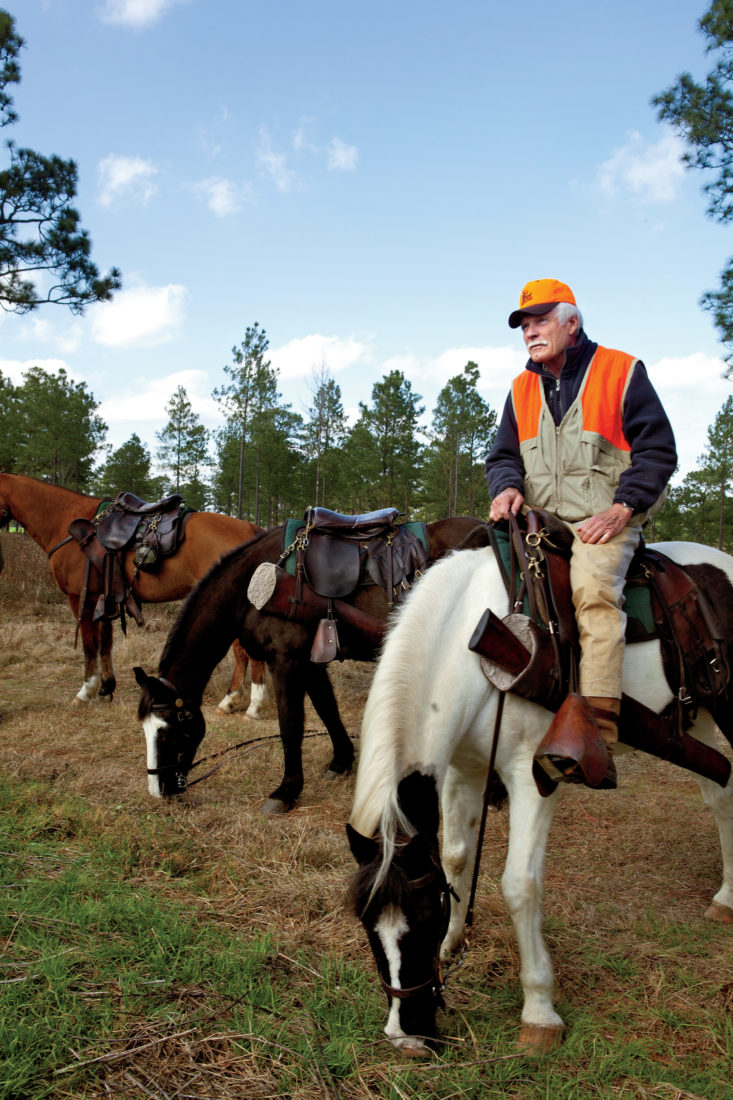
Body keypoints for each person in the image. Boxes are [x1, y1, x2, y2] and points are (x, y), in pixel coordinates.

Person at [485, 278, 677, 789]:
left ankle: (595, 722)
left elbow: (657, 451)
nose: (530, 332)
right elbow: (503, 456)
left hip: (602, 520)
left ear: (572, 322)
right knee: (485, 574)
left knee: (591, 590)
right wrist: (505, 488)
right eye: (524, 325)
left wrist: (623, 508)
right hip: (542, 521)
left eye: (540, 320)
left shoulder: (621, 370)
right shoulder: (520, 388)